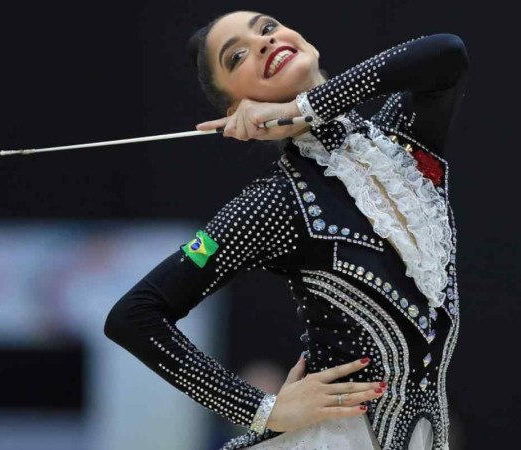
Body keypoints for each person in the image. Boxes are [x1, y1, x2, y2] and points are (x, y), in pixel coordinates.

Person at [104, 9, 468, 450]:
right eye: (237, 56)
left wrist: (303, 108)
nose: (262, 42)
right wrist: (260, 409)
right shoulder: (277, 202)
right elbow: (135, 316)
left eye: (268, 28)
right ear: (239, 111)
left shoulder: (402, 142)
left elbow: (445, 54)